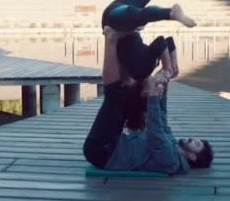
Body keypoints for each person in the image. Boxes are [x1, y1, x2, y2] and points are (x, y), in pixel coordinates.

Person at [83, 26, 214, 174]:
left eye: (196, 144)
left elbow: (155, 132)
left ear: (192, 156)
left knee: (115, 96)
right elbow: (162, 119)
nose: (191, 139)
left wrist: (152, 96)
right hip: (114, 143)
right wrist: (164, 86)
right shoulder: (173, 146)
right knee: (129, 89)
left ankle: (111, 39)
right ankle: (125, 38)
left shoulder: (171, 161)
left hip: (102, 152)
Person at [101, 0, 199, 82]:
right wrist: (173, 66)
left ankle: (170, 13)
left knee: (141, 12)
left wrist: (167, 69)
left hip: (116, 24)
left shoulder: (142, 71)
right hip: (116, 14)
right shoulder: (143, 67)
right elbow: (167, 42)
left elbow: (160, 42)